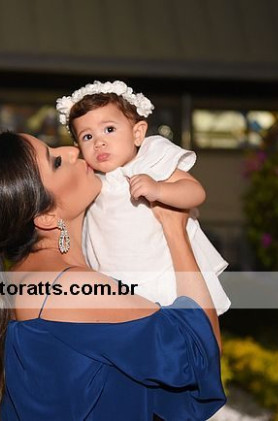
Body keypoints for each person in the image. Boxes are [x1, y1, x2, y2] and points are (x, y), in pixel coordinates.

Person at [0, 132, 226, 420]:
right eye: (55, 162)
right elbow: (200, 355)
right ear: (46, 217)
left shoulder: (20, 279)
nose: (72, 150)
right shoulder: (70, 288)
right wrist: (175, 229)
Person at [56, 80, 231, 314]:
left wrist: (160, 189)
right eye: (87, 136)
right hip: (116, 276)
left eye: (109, 129)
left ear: (137, 133)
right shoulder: (92, 182)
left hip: (165, 268)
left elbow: (195, 192)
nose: (99, 142)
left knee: (176, 323)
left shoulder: (149, 160)